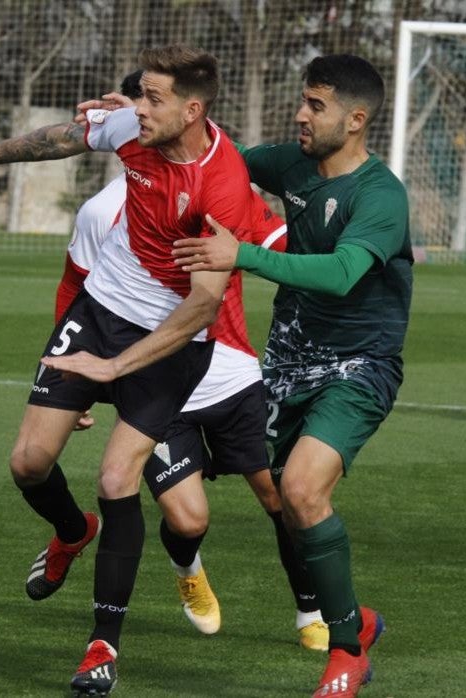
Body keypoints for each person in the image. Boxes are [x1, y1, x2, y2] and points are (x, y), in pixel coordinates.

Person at [0, 46, 257, 696]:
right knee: (28, 463)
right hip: (100, 307)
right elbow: (62, 138)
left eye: (154, 98)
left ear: (192, 110)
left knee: (117, 478)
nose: (137, 107)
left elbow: (200, 308)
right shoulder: (133, 128)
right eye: (138, 94)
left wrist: (109, 368)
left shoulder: (223, 185)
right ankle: (70, 531)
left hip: (171, 339)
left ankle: (102, 647)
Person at [173, 54, 408, 697]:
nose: (300, 114)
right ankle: (350, 616)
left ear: (356, 120)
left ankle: (345, 654)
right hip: (286, 369)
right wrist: (151, 111)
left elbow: (340, 275)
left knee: (303, 491)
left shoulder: (381, 196)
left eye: (316, 106)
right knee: (289, 505)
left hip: (359, 367)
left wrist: (241, 252)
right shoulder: (295, 165)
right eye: (303, 101)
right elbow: (220, 154)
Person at [59, 118, 330, 648]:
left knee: (280, 494)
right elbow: (77, 286)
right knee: (187, 521)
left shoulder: (226, 193)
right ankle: (189, 572)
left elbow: (291, 253)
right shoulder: (108, 211)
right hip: (162, 381)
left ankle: (310, 611)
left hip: (231, 373)